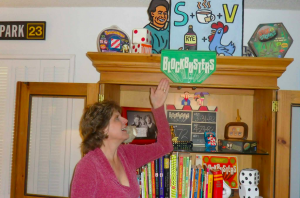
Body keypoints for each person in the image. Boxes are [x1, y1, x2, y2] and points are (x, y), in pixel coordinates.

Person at [71, 78, 172, 197]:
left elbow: (165, 146)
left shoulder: (128, 154)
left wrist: (158, 107)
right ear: (103, 128)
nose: (125, 120)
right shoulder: (88, 167)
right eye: (117, 118)